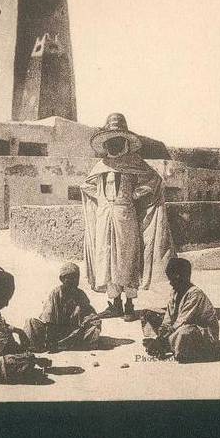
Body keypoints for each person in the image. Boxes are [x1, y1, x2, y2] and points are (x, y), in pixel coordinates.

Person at [81, 112, 175, 322]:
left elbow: (154, 180)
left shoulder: (135, 162)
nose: (114, 144)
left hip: (126, 216)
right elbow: (86, 185)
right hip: (105, 217)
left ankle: (129, 305)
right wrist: (102, 198)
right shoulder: (101, 165)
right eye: (110, 140)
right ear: (106, 143)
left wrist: (134, 194)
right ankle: (114, 304)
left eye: (118, 140)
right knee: (106, 258)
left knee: (126, 258)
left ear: (124, 141)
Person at [141, 257, 220, 362]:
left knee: (183, 333)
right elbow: (168, 317)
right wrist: (160, 334)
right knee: (147, 314)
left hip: (202, 333)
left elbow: (182, 320)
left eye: (172, 279)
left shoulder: (195, 293)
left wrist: (162, 338)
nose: (170, 283)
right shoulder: (175, 291)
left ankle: (169, 345)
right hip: (178, 327)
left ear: (179, 277)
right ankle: (165, 343)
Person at [24, 262, 101, 352]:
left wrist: (89, 318)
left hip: (74, 331)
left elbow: (90, 312)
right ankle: (57, 344)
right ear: (62, 279)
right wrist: (51, 338)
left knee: (95, 326)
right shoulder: (55, 293)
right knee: (30, 322)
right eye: (70, 278)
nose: (74, 281)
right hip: (55, 331)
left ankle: (67, 343)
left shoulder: (80, 294)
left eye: (76, 278)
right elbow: (49, 319)